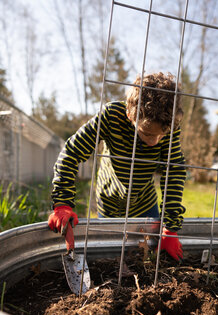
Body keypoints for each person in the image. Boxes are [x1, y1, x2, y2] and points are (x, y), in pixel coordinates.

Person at [48, 72, 186, 261]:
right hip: (109, 202)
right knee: (113, 258)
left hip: (145, 202)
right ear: (130, 115)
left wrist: (170, 227)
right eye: (147, 133)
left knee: (151, 258)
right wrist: (62, 203)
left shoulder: (170, 128)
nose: (155, 142)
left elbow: (174, 171)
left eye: (161, 135)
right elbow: (71, 152)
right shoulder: (111, 116)